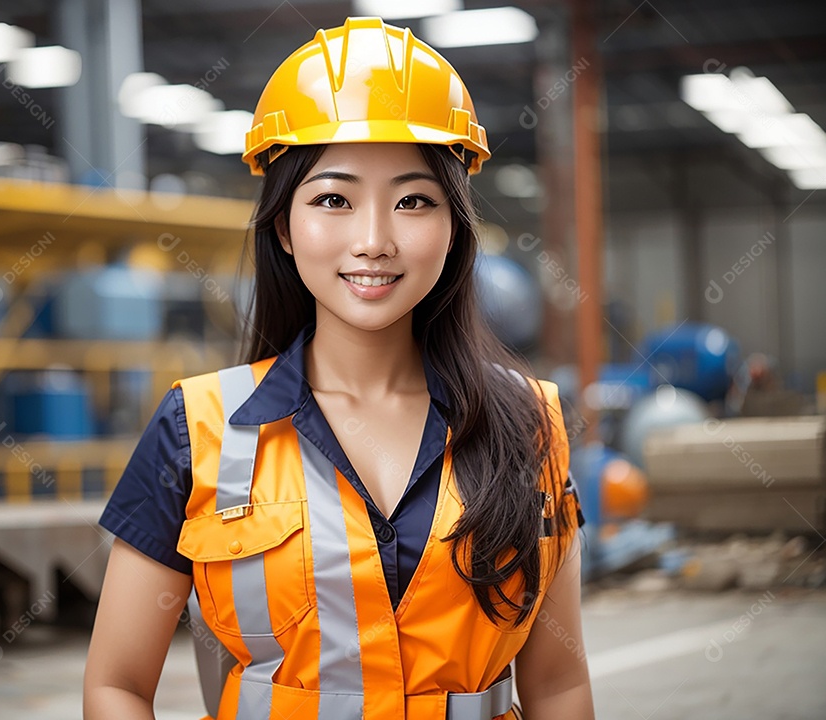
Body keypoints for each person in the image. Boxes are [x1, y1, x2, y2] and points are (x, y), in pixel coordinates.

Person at [84, 17, 593, 720]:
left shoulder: (528, 423)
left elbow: (559, 687)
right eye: (334, 198)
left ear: (453, 227)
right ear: (285, 227)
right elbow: (115, 687)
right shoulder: (197, 432)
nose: (375, 239)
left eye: (414, 200)